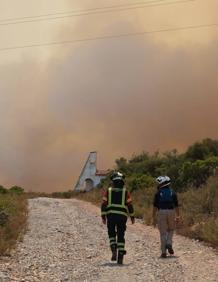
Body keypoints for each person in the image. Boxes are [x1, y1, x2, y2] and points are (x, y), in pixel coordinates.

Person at [101, 171, 135, 264]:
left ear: (113, 182)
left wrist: (103, 216)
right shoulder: (125, 192)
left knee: (111, 233)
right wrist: (132, 216)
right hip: (122, 217)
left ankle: (113, 249)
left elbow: (104, 204)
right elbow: (130, 205)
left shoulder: (108, 191)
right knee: (121, 234)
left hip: (111, 216)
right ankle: (120, 255)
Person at [152, 176, 180, 258]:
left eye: (159, 183)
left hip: (161, 212)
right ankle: (169, 243)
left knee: (163, 233)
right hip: (171, 212)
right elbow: (176, 205)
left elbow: (154, 206)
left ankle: (163, 252)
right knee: (171, 229)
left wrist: (153, 217)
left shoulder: (158, 193)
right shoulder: (172, 192)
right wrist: (178, 215)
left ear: (162, 183)